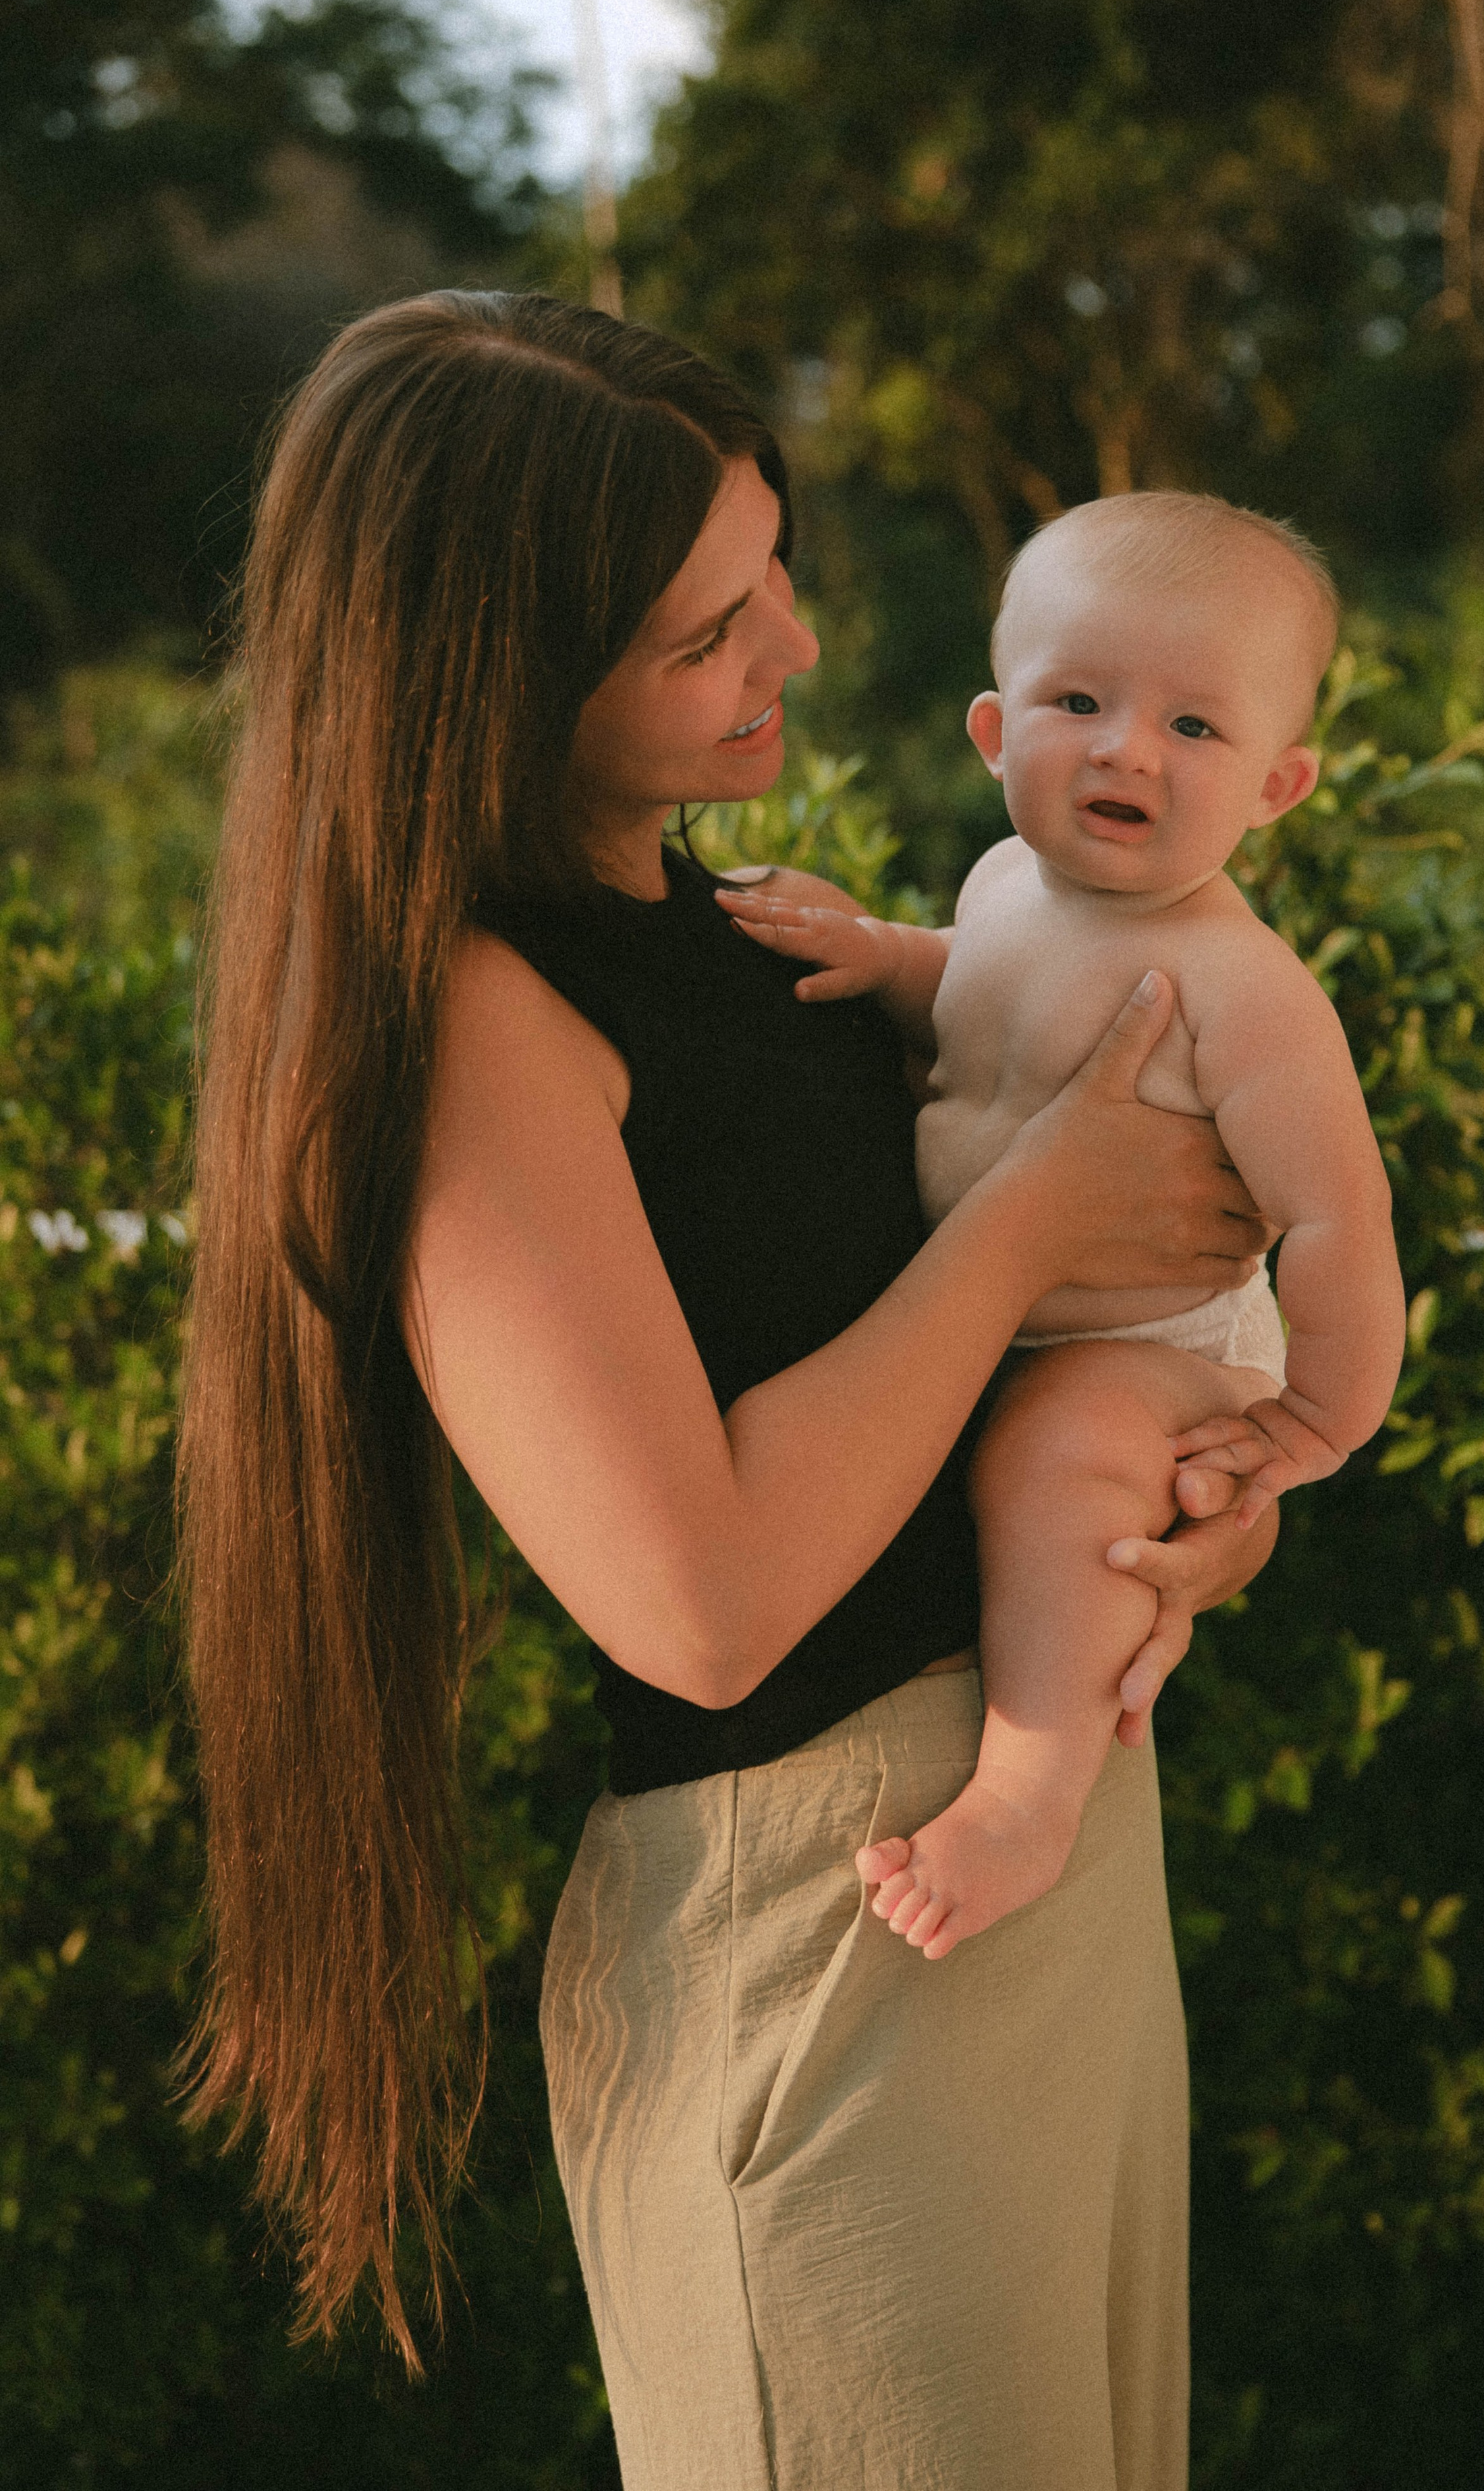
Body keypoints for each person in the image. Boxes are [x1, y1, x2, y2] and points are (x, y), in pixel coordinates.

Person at [177, 292, 1281, 2491]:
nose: (788, 648)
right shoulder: (478, 1026)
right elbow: (699, 1600)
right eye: (706, 632)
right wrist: (1037, 1219)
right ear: (488, 677)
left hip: (1041, 1878)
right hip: (823, 1945)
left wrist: (1186, 1514)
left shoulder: (737, 938)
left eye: (770, 567)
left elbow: (940, 1398)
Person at [723, 493, 1406, 1959]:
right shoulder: (1001, 888)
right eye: (1078, 701)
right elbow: (970, 987)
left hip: (1153, 1339)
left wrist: (1318, 1420)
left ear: (1275, 788)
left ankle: (1028, 1794)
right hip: (1006, 1308)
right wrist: (873, 955)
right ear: (993, 733)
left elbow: (1335, 1214)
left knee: (1056, 1460)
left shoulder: (1244, 989)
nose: (1123, 749)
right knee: (985, 1430)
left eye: (1192, 728)